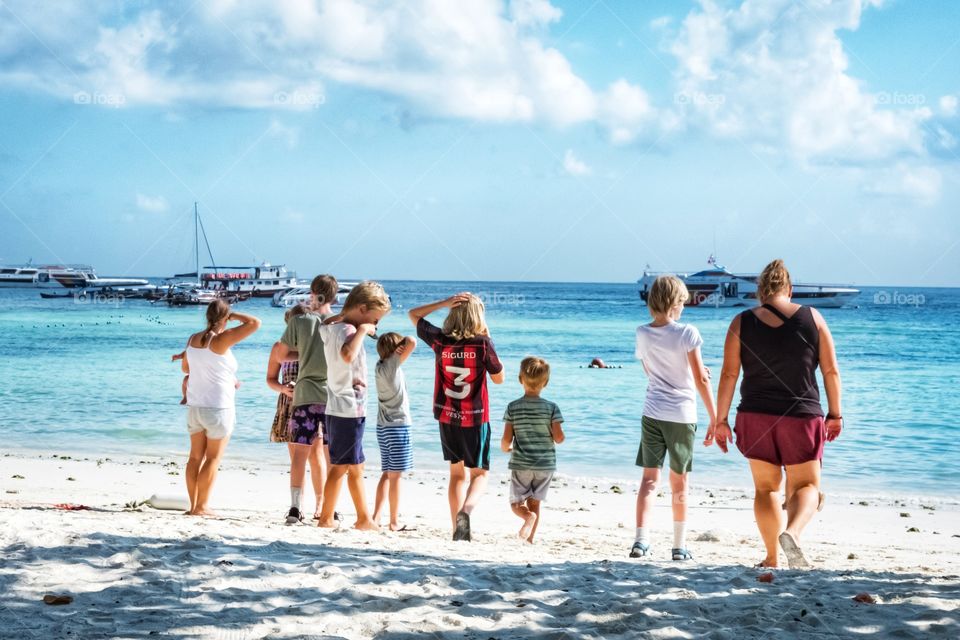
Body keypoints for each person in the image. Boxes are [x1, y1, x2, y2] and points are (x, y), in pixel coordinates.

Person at [712, 259, 843, 569]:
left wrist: (720, 420)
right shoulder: (813, 318)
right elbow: (830, 370)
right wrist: (835, 414)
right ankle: (794, 534)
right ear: (789, 288)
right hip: (801, 414)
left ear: (760, 291)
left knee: (766, 488)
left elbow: (729, 374)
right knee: (807, 486)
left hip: (754, 416)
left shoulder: (741, 321)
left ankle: (771, 557)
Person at [631, 275, 716, 561]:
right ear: (674, 302)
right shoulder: (688, 333)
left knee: (648, 480)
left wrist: (695, 374)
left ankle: (640, 542)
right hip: (681, 415)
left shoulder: (642, 332)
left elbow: (650, 372)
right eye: (682, 301)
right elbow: (700, 381)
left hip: (652, 412)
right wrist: (715, 418)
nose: (684, 307)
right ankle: (679, 547)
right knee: (679, 483)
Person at [409, 293, 505, 541]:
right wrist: (488, 335)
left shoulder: (439, 340)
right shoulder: (483, 343)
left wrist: (443, 303)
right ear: (478, 317)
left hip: (447, 416)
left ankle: (456, 529)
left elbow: (413, 314)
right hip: (475, 418)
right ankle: (466, 511)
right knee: (480, 474)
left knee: (456, 474)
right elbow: (499, 378)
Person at [317, 281, 392, 531]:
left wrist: (349, 318)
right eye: (375, 319)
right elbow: (347, 355)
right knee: (339, 467)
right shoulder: (349, 331)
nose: (375, 325)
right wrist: (362, 331)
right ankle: (326, 518)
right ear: (362, 308)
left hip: (340, 407)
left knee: (356, 465)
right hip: (348, 408)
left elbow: (325, 323)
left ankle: (364, 518)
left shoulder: (334, 326)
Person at [180, 300, 260, 516]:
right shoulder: (222, 340)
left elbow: (186, 368)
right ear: (225, 318)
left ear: (207, 316)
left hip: (195, 407)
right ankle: (202, 506)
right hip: (218, 409)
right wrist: (234, 316)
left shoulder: (193, 339)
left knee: (195, 457)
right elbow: (255, 323)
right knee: (213, 458)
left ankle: (193, 505)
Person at [272, 275, 338, 525]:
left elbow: (281, 355)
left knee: (300, 454)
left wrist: (305, 351)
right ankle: (329, 508)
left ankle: (295, 509)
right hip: (334, 395)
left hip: (305, 394)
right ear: (334, 296)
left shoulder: (299, 320)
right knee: (332, 455)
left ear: (313, 293)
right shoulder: (341, 322)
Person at [500, 356, 565, 544]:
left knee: (516, 504)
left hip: (521, 463)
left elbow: (506, 439)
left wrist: (506, 448)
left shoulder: (513, 407)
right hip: (545, 464)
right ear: (546, 382)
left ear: (520, 379)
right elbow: (559, 438)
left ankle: (527, 518)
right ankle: (530, 540)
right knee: (535, 502)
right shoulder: (552, 408)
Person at [372, 331, 417, 531]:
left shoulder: (379, 366)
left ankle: (375, 517)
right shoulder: (392, 365)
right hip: (398, 426)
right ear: (395, 350)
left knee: (387, 473)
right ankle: (393, 521)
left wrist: (397, 348)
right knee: (396, 476)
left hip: (383, 427)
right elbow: (413, 341)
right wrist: (402, 346)